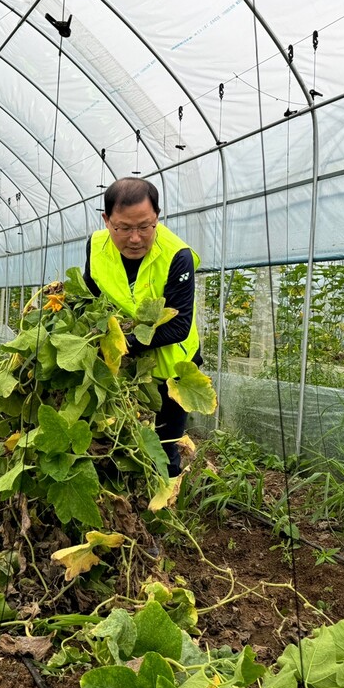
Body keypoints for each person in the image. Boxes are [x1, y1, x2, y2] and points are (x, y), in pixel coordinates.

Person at [83, 177, 201, 477]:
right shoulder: (95, 246)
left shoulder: (178, 255)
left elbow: (179, 328)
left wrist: (120, 344)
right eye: (123, 228)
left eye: (145, 226)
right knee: (113, 439)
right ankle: (122, 502)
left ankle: (165, 509)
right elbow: (90, 298)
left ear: (157, 217)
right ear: (107, 220)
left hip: (170, 367)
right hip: (121, 368)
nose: (135, 238)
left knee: (164, 447)